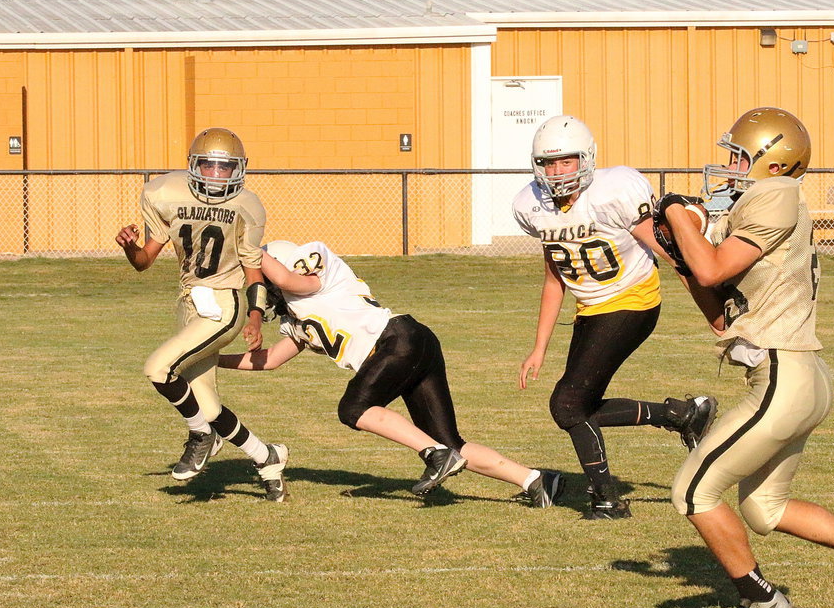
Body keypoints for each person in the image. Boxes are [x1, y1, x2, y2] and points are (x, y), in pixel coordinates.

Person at [655, 107, 834, 608]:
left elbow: (710, 265)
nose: (729, 166)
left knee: (693, 491)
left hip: (783, 374)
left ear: (773, 163)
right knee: (764, 510)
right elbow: (716, 308)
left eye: (739, 156)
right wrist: (676, 248)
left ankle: (763, 600)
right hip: (798, 373)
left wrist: (682, 220)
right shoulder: (765, 203)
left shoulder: (775, 195)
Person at [219, 239, 564, 506]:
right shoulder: (295, 316)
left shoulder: (309, 268)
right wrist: (213, 358)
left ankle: (435, 456)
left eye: (261, 282)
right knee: (450, 442)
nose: (262, 291)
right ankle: (536, 480)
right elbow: (270, 360)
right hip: (410, 344)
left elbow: (286, 278)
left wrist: (245, 243)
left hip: (396, 341)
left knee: (353, 409)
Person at [513, 114, 718, 520]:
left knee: (567, 405)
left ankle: (606, 496)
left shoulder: (614, 190)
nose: (557, 172)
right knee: (577, 406)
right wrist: (538, 348)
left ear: (586, 159)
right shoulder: (530, 204)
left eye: (566, 162)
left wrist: (712, 307)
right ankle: (682, 414)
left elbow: (669, 251)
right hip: (590, 310)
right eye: (549, 163)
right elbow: (555, 277)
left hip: (633, 302)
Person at [115, 127, 288, 501]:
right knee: (206, 404)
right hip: (191, 303)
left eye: (225, 168)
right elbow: (144, 261)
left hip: (226, 304)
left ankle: (200, 436)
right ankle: (267, 457)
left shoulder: (247, 205)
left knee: (158, 368)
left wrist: (256, 316)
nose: (215, 175)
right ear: (194, 166)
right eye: (208, 166)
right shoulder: (165, 194)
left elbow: (253, 268)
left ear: (238, 170)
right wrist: (130, 248)